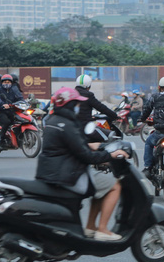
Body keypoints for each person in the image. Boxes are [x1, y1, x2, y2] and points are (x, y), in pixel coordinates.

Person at [35, 87, 129, 241]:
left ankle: (91, 227)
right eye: (76, 104)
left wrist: (93, 145)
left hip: (51, 172)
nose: (78, 107)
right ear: (69, 104)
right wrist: (109, 155)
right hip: (67, 175)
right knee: (113, 185)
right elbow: (86, 156)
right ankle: (103, 229)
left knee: (100, 185)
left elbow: (69, 146)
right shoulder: (68, 124)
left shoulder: (52, 121)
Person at [0, 74, 24, 146]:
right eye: (5, 82)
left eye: (8, 82)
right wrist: (2, 104)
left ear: (11, 83)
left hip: (10, 111)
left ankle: (15, 138)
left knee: (19, 121)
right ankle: (0, 138)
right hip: (0, 111)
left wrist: (24, 102)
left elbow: (20, 97)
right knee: (7, 122)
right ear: (2, 82)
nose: (7, 83)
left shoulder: (13, 89)